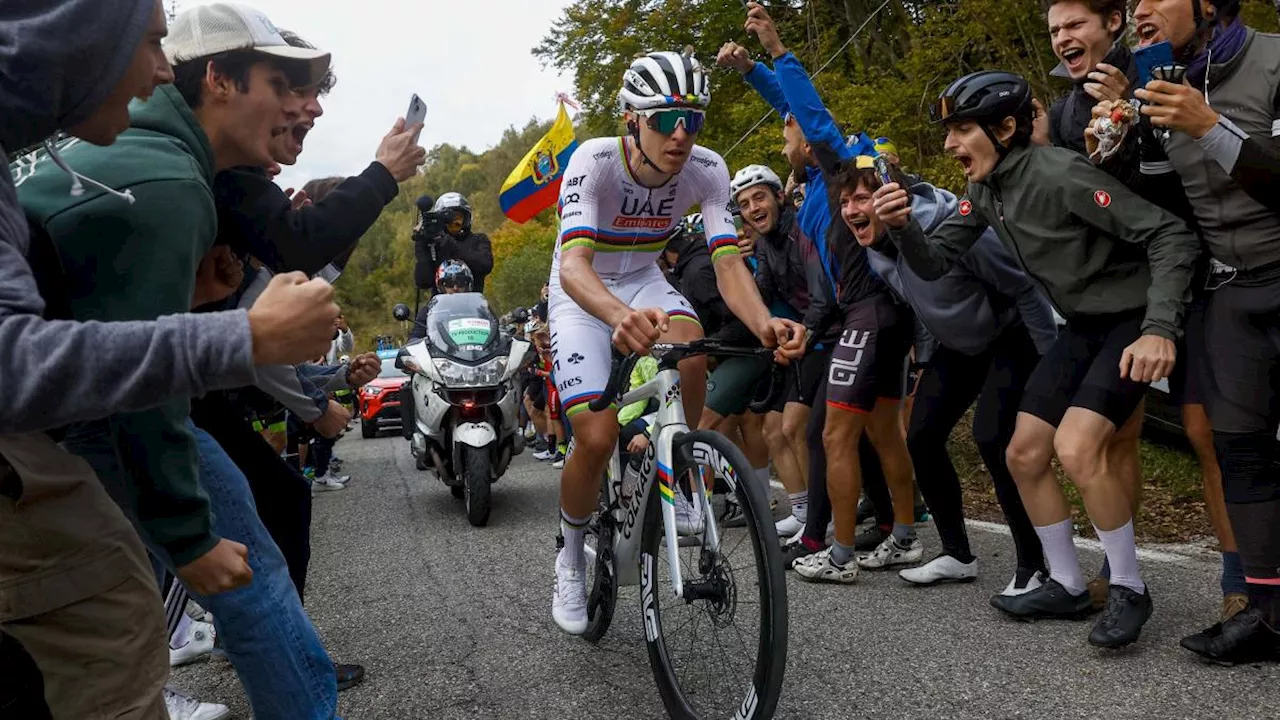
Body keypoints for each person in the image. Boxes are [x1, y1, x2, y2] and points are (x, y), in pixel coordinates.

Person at [0, 2, 344, 718]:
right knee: (228, 584)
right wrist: (189, 535)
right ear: (219, 81)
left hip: (55, 425)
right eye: (283, 85)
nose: (304, 106)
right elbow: (116, 393)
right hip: (67, 426)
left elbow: (84, 307)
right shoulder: (165, 182)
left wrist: (191, 299)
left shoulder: (130, 159)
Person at [872, 70, 1199, 647]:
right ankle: (1067, 584)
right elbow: (932, 263)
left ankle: (1128, 587)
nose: (949, 145)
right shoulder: (985, 191)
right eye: (948, 132)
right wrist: (900, 228)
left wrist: (1159, 329)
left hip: (1130, 319)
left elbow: (1171, 235)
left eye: (961, 130)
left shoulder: (1060, 174)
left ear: (1004, 128)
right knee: (1022, 451)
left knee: (1076, 446)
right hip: (1082, 326)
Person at [547, 48, 804, 635]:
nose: (682, 134)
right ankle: (570, 555)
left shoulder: (708, 169)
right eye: (666, 119)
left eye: (694, 118)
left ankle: (680, 468)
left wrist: (765, 322)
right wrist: (615, 315)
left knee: (690, 347)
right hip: (584, 289)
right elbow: (574, 267)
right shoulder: (595, 160)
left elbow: (729, 267)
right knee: (595, 432)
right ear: (632, 120)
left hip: (643, 279)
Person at [1128, 0, 1280, 663]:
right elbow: (1166, 210)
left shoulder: (1273, 60)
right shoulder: (1159, 83)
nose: (1138, 10)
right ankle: (1267, 613)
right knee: (1239, 451)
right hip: (1229, 292)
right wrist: (1117, 149)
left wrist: (1209, 124)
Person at [843, 157, 1058, 595]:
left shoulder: (949, 230)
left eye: (861, 198)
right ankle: (958, 555)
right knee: (921, 436)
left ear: (893, 197)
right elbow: (919, 303)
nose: (850, 210)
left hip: (1012, 333)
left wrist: (1055, 365)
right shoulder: (874, 250)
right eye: (844, 201)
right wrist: (924, 360)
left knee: (993, 437)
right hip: (957, 346)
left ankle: (1034, 564)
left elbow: (1024, 287)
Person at [731, 163, 838, 540]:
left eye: (759, 196)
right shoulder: (764, 243)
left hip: (830, 333)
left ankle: (824, 519)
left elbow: (824, 296)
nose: (753, 207)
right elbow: (762, 298)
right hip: (806, 337)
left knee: (795, 426)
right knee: (774, 427)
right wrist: (739, 266)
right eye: (744, 203)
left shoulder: (800, 230)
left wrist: (803, 336)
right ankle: (806, 509)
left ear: (779, 196)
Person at [414, 192, 495, 293]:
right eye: (448, 219)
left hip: (473, 305)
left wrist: (450, 245)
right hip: (440, 305)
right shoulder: (433, 243)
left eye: (458, 218)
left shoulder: (478, 239)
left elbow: (485, 265)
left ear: (466, 219)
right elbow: (423, 282)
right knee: (423, 310)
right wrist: (421, 244)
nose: (454, 223)